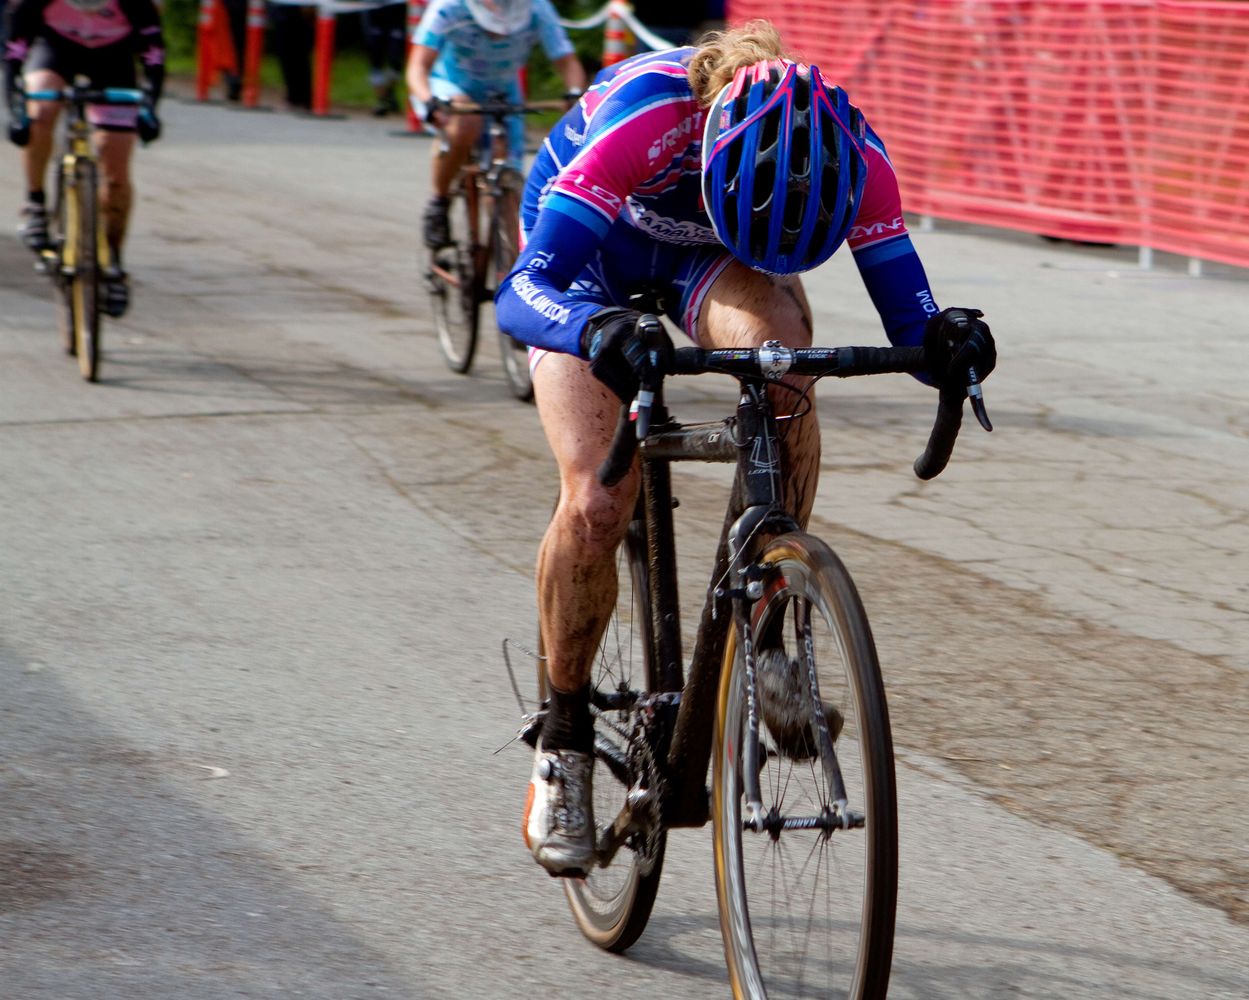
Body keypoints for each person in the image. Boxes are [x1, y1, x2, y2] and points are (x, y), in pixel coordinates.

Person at [494, 21, 997, 876]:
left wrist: (947, 343)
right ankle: (565, 738)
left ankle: (768, 627)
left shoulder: (856, 155)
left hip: (710, 256)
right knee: (596, 497)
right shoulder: (648, 121)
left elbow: (908, 321)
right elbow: (523, 290)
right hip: (584, 257)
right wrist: (593, 330)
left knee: (786, 362)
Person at [4, 0, 163, 318]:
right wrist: (17, 112)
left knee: (115, 173)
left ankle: (114, 263)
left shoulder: (138, 5)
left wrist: (149, 110)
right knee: (41, 111)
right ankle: (35, 202)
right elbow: (12, 57)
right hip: (56, 53)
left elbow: (154, 59)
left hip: (114, 61)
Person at [405, 0, 585, 248]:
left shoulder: (536, 7)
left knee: (508, 181)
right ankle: (439, 201)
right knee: (466, 123)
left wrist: (575, 94)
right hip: (451, 85)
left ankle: (512, 261)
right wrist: (428, 101)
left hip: (503, 91)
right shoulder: (450, 7)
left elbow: (566, 61)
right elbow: (418, 65)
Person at [361, 1, 406, 117]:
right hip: (374, 15)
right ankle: (381, 100)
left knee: (395, 61)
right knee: (375, 60)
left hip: (396, 15)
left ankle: (387, 93)